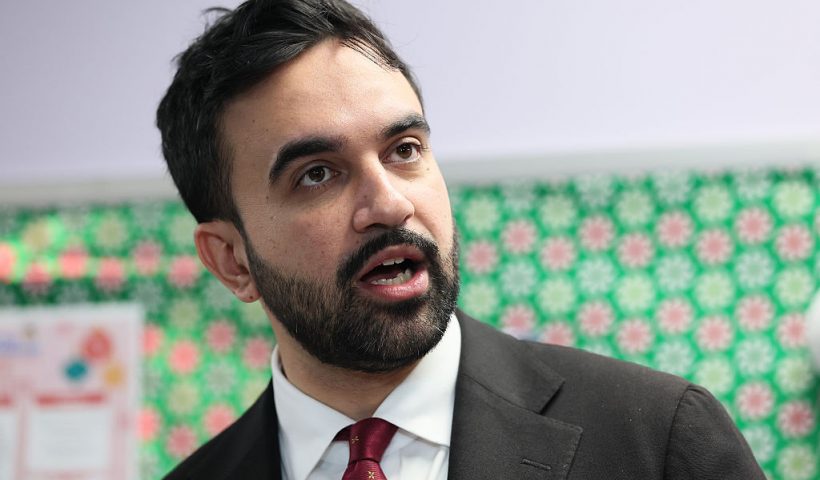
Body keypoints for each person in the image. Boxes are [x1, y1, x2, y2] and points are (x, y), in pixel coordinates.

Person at [156, 1, 765, 478]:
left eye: (405, 150)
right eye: (317, 174)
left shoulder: (657, 438)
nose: (391, 203)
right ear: (232, 260)